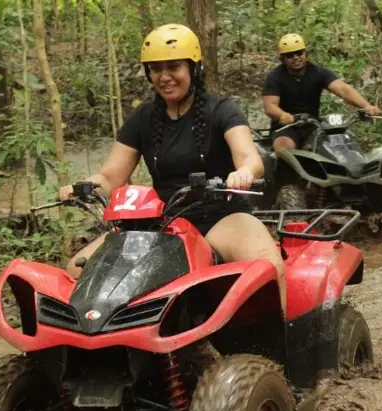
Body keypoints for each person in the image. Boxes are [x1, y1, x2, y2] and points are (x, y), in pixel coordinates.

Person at [58, 23, 287, 314]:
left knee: (268, 266)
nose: (164, 77)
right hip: (162, 224)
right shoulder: (143, 118)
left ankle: (282, 339)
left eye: (174, 67)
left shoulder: (222, 110)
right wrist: (82, 187)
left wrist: (243, 173)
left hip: (221, 215)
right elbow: (110, 177)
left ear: (194, 68)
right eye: (156, 69)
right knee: (78, 269)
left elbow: (249, 158)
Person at [262, 33, 382, 152]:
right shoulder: (275, 77)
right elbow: (270, 106)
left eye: (299, 53)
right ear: (283, 59)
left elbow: (342, 89)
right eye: (289, 55)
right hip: (286, 127)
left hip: (313, 126)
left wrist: (366, 106)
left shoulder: (318, 72)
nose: (295, 57)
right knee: (284, 148)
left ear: (305, 53)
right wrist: (283, 115)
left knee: (341, 143)